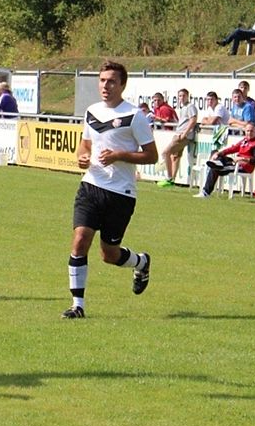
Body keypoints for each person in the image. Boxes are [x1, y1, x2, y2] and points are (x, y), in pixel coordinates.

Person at [61, 60, 157, 319]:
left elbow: (152, 156)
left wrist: (119, 155)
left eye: (111, 81)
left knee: (109, 254)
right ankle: (77, 305)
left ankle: (141, 262)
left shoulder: (134, 116)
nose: (106, 85)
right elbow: (85, 145)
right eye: (102, 80)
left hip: (120, 194)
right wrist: (81, 156)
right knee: (80, 241)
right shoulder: (92, 111)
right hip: (91, 185)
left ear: (122, 85)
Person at [193, 122, 255, 198]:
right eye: (247, 131)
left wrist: (243, 159)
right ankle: (217, 162)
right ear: (245, 131)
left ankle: (206, 192)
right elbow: (233, 148)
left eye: (251, 131)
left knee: (215, 168)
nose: (249, 133)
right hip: (235, 163)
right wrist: (219, 153)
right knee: (215, 152)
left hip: (243, 167)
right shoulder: (244, 140)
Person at [157, 88, 198, 187]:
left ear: (188, 96)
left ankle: (169, 177)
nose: (182, 98)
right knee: (175, 157)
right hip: (179, 133)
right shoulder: (183, 108)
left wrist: (185, 133)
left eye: (184, 95)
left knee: (166, 152)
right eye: (180, 96)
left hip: (182, 135)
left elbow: (193, 120)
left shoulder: (190, 106)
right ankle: (172, 180)